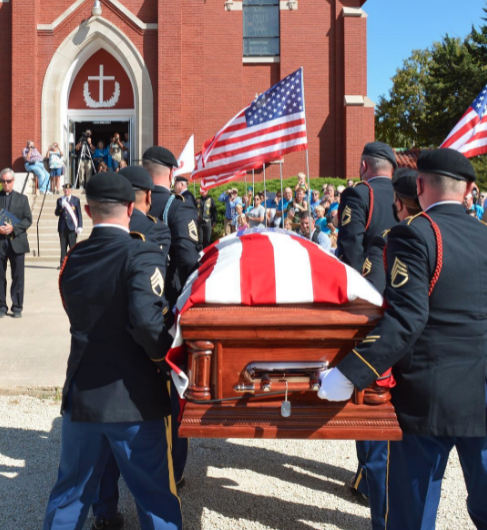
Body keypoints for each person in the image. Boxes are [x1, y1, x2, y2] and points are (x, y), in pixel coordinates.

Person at [319, 148, 487, 530]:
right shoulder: (483, 234)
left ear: (421, 184)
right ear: (470, 190)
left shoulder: (416, 234)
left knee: (411, 515)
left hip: (429, 397)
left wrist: (348, 374)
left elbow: (407, 318)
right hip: (482, 390)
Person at [42, 173, 181, 530]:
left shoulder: (72, 259)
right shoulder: (142, 251)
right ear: (132, 208)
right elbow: (149, 324)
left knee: (69, 498)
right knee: (155, 499)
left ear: (87, 210)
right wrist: (167, 361)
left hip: (82, 396)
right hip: (134, 398)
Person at [90, 166, 172, 530]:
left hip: (91, 370)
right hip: (140, 365)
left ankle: (105, 513)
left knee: (96, 457)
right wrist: (166, 358)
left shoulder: (79, 252)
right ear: (146, 196)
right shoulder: (154, 234)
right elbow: (149, 312)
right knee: (152, 474)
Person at [350, 168, 421, 530]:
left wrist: (358, 368)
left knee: (392, 462)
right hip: (466, 378)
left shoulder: (390, 242)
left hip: (406, 368)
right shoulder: (475, 235)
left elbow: (372, 302)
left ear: (399, 203)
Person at [144, 146, 200, 488]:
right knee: (173, 395)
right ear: (169, 173)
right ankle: (171, 471)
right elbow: (190, 264)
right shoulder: (177, 209)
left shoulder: (130, 206)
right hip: (167, 314)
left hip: (134, 314)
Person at [336, 141, 397, 272]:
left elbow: (351, 248)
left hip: (370, 282)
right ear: (392, 169)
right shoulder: (406, 196)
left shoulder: (357, 194)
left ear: (364, 166)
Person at [0, 169, 32, 318]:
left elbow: (28, 219)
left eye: (8, 181)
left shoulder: (22, 199)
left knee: (18, 276)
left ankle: (17, 306)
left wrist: (14, 228)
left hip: (17, 241)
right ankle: (1, 306)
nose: (5, 184)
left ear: (13, 181)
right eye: (3, 181)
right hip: (0, 242)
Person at [54, 184, 83, 270]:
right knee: (63, 247)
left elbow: (79, 214)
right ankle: (62, 264)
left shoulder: (76, 200)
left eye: (68, 189)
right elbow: (56, 213)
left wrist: (80, 225)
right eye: (65, 189)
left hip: (72, 226)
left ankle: (74, 263)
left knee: (72, 247)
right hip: (62, 227)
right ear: (63, 190)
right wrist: (60, 207)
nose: (66, 191)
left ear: (71, 190)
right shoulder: (60, 200)